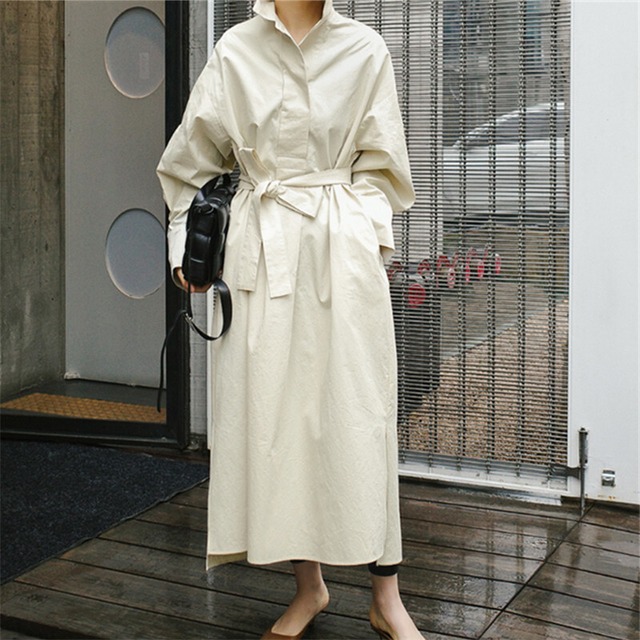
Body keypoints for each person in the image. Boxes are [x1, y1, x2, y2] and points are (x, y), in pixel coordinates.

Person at [157, 1, 424, 638]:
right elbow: (189, 164)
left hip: (341, 256)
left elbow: (384, 169)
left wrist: (360, 236)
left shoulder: (365, 49)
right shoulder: (235, 50)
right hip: (262, 256)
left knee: (362, 419)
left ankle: (386, 598)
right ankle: (310, 589)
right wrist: (185, 249)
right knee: (280, 422)